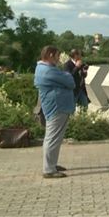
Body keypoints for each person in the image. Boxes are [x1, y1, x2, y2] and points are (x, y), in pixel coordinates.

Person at [34, 45, 75, 178]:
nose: (59, 59)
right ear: (50, 55)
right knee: (52, 138)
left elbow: (65, 81)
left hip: (57, 107)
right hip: (56, 108)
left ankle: (52, 163)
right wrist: (67, 75)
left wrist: (64, 77)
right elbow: (70, 82)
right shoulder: (47, 70)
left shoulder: (46, 69)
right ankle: (49, 170)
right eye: (57, 56)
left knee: (54, 138)